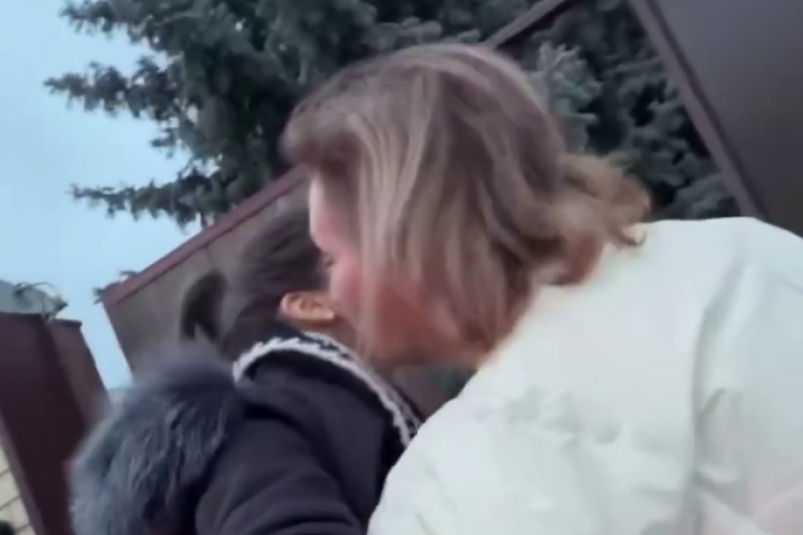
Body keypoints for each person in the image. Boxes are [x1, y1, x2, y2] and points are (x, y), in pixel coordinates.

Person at [281, 42, 803, 535]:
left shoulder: (448, 490)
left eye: (330, 257)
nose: (332, 293)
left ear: (401, 244)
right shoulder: (747, 251)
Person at [69, 200, 423, 535]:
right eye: (378, 253)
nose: (410, 266)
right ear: (311, 305)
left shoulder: (338, 414)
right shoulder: (259, 432)